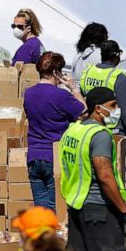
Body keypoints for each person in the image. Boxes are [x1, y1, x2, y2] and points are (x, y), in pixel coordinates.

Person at [60, 87, 126, 251]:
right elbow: (105, 175)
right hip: (99, 209)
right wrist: (123, 210)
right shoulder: (99, 135)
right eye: (113, 105)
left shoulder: (73, 131)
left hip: (76, 206)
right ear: (99, 109)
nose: (117, 109)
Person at [23, 51, 85, 211]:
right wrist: (74, 88)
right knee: (56, 207)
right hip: (54, 155)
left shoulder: (28, 93)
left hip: (34, 154)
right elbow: (83, 111)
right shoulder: (61, 95)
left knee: (41, 207)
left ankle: (42, 235)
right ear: (56, 73)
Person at [79, 40, 126, 160]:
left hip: (89, 125)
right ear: (116, 56)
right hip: (112, 128)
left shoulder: (88, 71)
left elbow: (80, 96)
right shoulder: (118, 77)